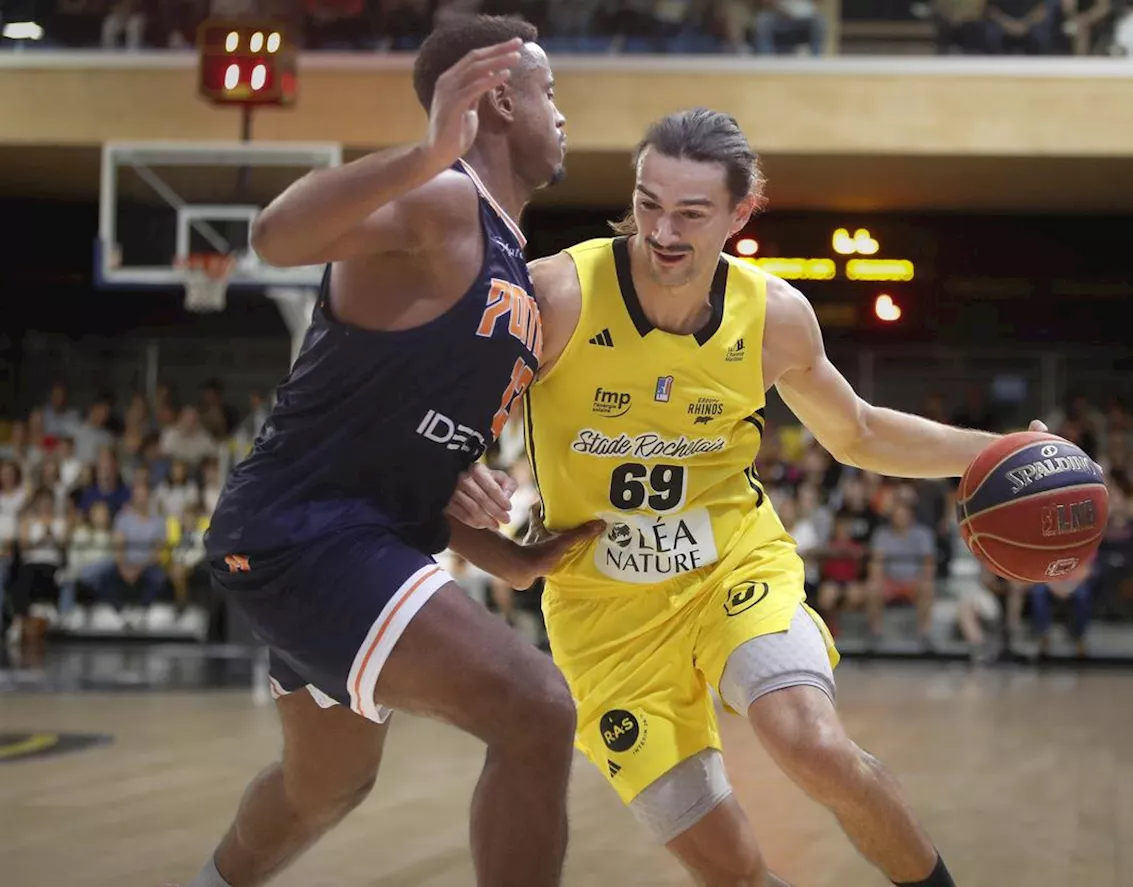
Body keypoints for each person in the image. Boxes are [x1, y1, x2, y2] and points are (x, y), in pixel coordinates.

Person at [451, 108, 1054, 887]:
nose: (664, 230)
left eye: (691, 213)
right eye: (648, 204)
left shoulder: (773, 317)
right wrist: (466, 485)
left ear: (740, 213)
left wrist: (998, 450)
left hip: (730, 567)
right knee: (730, 869)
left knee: (812, 742)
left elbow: (859, 431)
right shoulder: (557, 296)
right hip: (600, 615)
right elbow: (442, 421)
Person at [178, 18, 597, 887]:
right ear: (500, 98)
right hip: (310, 534)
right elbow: (274, 237)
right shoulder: (444, 200)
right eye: (551, 93)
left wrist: (504, 554)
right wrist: (429, 147)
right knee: (537, 709)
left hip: (358, 541)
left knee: (323, 787)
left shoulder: (514, 268)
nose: (564, 116)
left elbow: (415, 464)